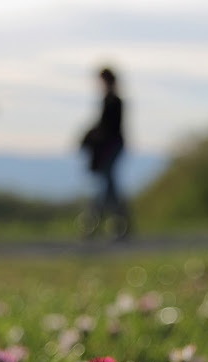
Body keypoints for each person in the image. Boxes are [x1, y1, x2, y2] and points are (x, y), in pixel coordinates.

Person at [80, 67, 129, 239]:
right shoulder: (111, 100)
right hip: (112, 147)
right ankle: (115, 224)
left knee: (108, 186)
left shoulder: (113, 101)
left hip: (111, 147)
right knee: (108, 186)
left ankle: (101, 224)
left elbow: (108, 128)